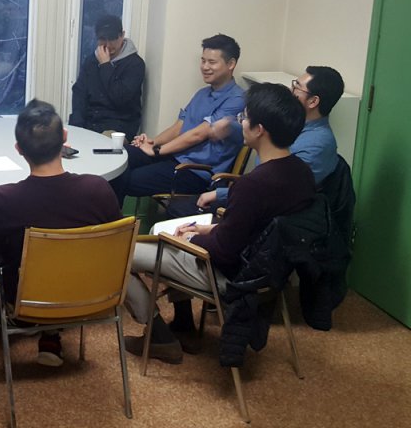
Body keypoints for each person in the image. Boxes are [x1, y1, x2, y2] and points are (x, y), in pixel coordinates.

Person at [123, 83, 315, 364]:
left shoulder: (253, 185)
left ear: (259, 130)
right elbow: (260, 230)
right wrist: (206, 229)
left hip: (232, 278)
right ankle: (184, 326)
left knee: (123, 254)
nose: (241, 122)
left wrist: (192, 239)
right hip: (269, 275)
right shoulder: (302, 174)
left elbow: (223, 252)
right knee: (179, 231)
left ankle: (160, 337)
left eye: (245, 118)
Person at [0, 99, 122, 367]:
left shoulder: (4, 198)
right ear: (64, 138)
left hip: (27, 297)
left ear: (18, 149)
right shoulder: (98, 189)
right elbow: (116, 244)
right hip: (93, 293)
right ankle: (50, 334)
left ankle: (31, 321)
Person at [111, 34, 245, 204]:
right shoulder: (202, 94)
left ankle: (110, 218)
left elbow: (198, 135)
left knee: (127, 178)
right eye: (203, 61)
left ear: (231, 64)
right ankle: (107, 215)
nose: (205, 67)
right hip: (174, 157)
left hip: (196, 172)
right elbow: (179, 126)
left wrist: (157, 151)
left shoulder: (237, 99)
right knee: (121, 156)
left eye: (211, 62)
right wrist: (152, 143)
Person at [197, 65, 345, 210]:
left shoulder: (318, 145)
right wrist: (230, 127)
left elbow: (276, 190)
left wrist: (222, 194)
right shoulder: (292, 122)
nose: (291, 90)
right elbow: (258, 134)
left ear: (313, 101)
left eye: (297, 87)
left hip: (271, 212)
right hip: (256, 195)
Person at [69, 14, 146, 141]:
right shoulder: (91, 61)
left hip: (118, 126)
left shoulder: (135, 64)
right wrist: (77, 126)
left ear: (122, 35)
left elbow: (120, 98)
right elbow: (79, 94)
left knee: (103, 142)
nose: (108, 44)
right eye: (103, 39)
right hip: (90, 123)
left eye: (112, 38)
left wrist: (105, 65)